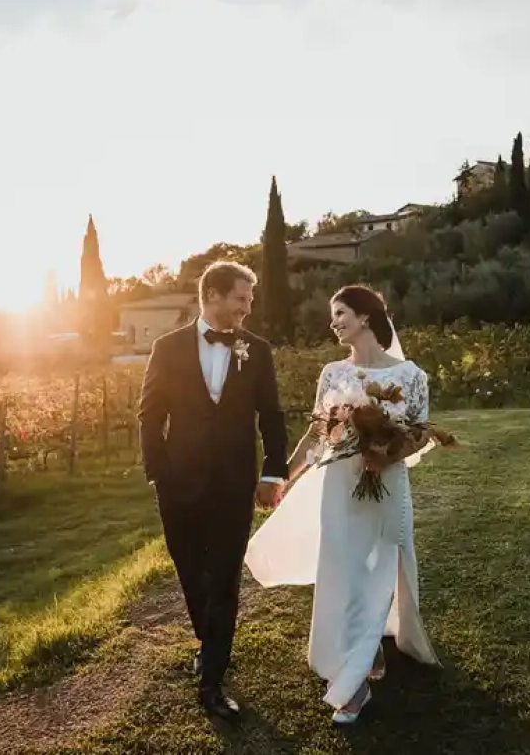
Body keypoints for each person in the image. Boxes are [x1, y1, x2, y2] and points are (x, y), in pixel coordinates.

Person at [244, 284, 440, 725]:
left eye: (340, 313)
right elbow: (316, 435)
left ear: (366, 317)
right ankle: (355, 682)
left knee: (381, 566)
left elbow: (421, 432)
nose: (333, 322)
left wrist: (387, 453)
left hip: (387, 483)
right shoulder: (333, 374)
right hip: (338, 486)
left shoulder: (411, 375)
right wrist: (281, 479)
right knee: (345, 572)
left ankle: (369, 649)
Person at [138, 260, 288, 720]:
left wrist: (271, 472)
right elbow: (149, 414)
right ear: (214, 296)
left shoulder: (257, 350)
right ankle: (210, 641)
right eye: (241, 299)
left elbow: (273, 416)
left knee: (222, 578)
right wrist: (158, 474)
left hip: (234, 482)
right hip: (177, 484)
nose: (247, 309)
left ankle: (212, 681)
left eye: (249, 300)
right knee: (192, 574)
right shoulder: (166, 348)